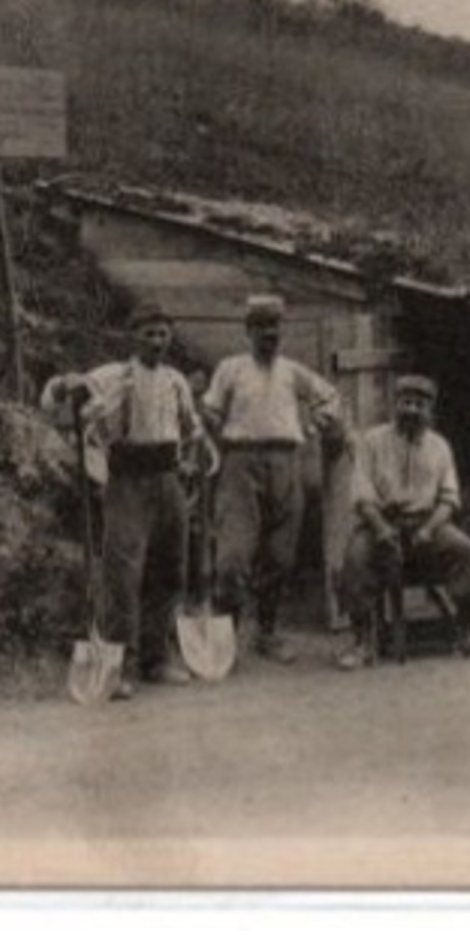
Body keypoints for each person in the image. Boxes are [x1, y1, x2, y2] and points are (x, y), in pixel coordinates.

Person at [41, 302, 208, 700]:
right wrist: (65, 384)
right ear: (134, 337)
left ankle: (157, 658)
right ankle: (119, 665)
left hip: (168, 480)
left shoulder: (176, 381)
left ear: (170, 338)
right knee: (123, 573)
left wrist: (191, 455)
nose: (156, 341)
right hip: (127, 480)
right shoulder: (113, 376)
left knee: (170, 568)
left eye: (163, 334)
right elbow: (56, 400)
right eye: (148, 333)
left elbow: (192, 429)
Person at [201, 295, 343, 664]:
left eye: (275, 327)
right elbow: (211, 410)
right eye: (262, 327)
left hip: (286, 462)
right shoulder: (231, 368)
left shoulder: (293, 372)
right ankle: (225, 640)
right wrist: (211, 428)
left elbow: (330, 397)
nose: (270, 334)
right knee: (233, 555)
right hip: (240, 463)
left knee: (280, 555)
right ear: (248, 331)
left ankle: (267, 633)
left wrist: (314, 425)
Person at [335, 375, 470, 670]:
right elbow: (362, 497)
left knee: (469, 552)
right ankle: (362, 643)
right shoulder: (372, 442)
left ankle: (468, 635)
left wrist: (428, 529)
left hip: (427, 524)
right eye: (405, 402)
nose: (411, 410)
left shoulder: (440, 447)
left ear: (430, 411)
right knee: (355, 557)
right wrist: (382, 529)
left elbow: (449, 500)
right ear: (394, 405)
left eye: (419, 404)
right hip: (380, 524)